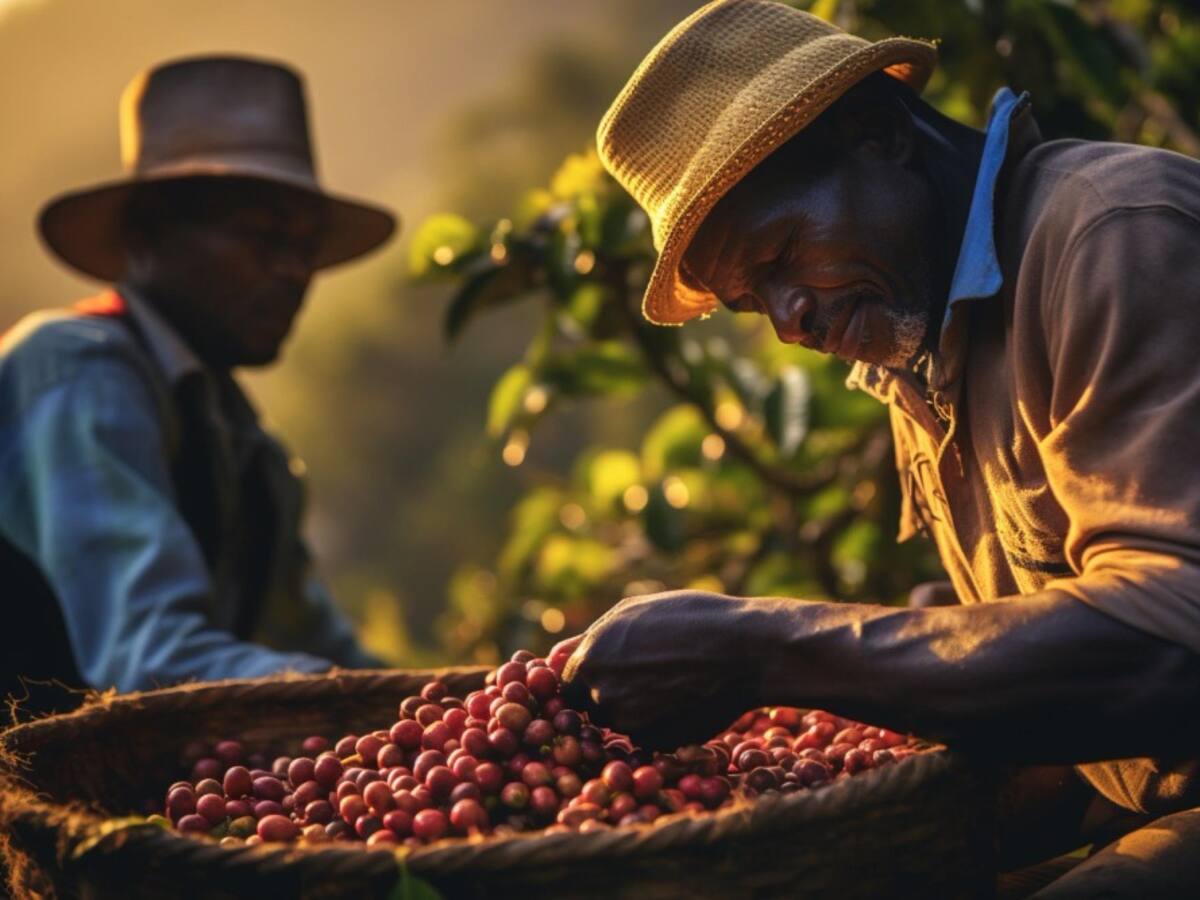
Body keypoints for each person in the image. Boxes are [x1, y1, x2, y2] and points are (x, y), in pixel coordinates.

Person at [560, 1, 1200, 894]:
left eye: (782, 253)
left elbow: (1174, 646)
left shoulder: (1109, 238)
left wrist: (764, 648)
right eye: (755, 303)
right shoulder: (925, 343)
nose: (790, 322)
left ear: (877, 136)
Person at [0, 56, 397, 716]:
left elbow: (319, 641)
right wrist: (375, 708)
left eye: (305, 245)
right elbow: (153, 658)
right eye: (261, 237)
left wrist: (456, 704)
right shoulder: (78, 371)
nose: (294, 271)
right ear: (150, 231)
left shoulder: (248, 449)